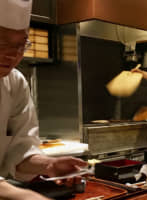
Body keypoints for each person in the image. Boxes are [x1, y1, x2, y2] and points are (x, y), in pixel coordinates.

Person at [0, 0, 87, 199]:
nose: (13, 54)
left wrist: (49, 165)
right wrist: (25, 196)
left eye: (21, 45)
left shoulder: (15, 83)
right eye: (2, 42)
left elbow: (20, 149)